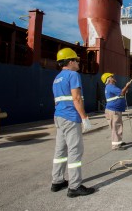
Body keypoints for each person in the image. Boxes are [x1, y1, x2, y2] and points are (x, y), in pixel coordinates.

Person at [51, 48, 95, 198]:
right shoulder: (73, 75)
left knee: (60, 151)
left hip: (59, 117)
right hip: (70, 117)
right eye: (76, 60)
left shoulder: (57, 78)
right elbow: (76, 98)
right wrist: (84, 118)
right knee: (75, 150)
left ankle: (57, 181)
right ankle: (74, 186)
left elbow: (56, 100)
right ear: (70, 62)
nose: (78, 63)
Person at [101, 72, 131, 150]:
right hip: (113, 110)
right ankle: (115, 146)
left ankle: (118, 142)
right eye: (112, 76)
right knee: (115, 127)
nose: (114, 77)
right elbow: (122, 93)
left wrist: (126, 87)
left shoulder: (110, 87)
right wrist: (127, 86)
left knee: (117, 126)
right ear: (109, 79)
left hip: (114, 110)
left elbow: (122, 93)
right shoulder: (110, 86)